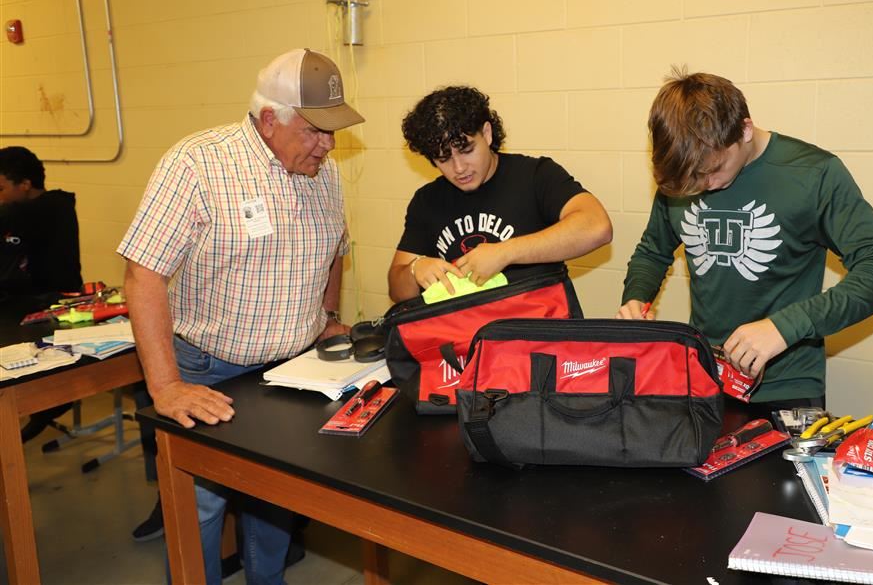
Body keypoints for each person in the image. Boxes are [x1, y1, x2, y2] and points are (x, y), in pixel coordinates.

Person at [117, 48, 362, 584]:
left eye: (333, 131)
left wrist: (326, 316)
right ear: (269, 119)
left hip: (289, 372)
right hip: (210, 369)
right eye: (316, 131)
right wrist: (165, 386)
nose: (328, 144)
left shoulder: (324, 171)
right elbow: (144, 276)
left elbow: (335, 247)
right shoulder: (198, 163)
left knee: (275, 500)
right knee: (201, 508)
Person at [617, 70, 873, 409]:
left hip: (785, 389)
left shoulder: (814, 174)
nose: (704, 185)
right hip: (703, 378)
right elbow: (653, 251)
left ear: (744, 129)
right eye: (693, 177)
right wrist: (637, 298)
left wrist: (783, 327)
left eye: (714, 170)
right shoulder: (688, 172)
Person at [387, 86, 613, 302]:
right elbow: (397, 290)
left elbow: (597, 227)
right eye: (443, 159)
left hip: (538, 332)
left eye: (467, 150)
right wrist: (416, 268)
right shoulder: (427, 200)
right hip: (465, 334)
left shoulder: (535, 175)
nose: (459, 168)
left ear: (486, 134)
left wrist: (506, 252)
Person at [0, 146, 83, 441]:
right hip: (27, 301)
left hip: (55, 303)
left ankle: (48, 402)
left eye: (1, 188)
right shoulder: (21, 214)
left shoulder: (51, 208)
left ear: (25, 184)